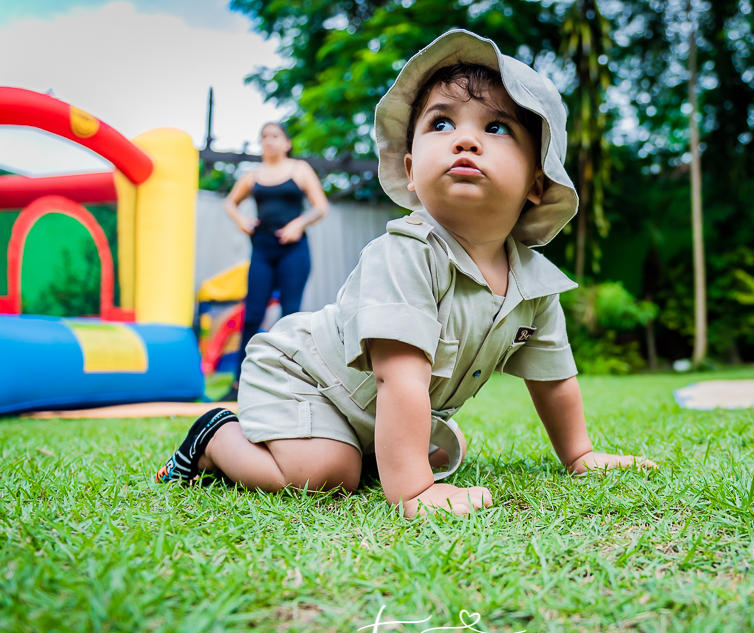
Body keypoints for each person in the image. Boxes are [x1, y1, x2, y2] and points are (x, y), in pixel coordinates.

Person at [157, 30, 656, 517]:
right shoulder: (404, 254)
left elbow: (554, 378)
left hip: (367, 409)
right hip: (306, 381)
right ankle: (215, 436)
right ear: (412, 170)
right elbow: (399, 376)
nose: (465, 140)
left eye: (496, 127)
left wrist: (579, 454)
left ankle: (369, 449)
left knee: (436, 449)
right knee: (329, 473)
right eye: (441, 124)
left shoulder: (535, 283)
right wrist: (413, 489)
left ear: (536, 183)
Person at [220, 122, 329, 401]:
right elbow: (230, 203)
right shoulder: (253, 175)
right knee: (253, 314)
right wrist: (241, 220)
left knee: (290, 315)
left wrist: (298, 224)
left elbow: (320, 207)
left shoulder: (299, 169)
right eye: (264, 137)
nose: (269, 141)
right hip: (262, 250)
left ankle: (289, 383)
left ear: (286, 143)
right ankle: (238, 384)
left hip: (293, 250)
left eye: (275, 136)